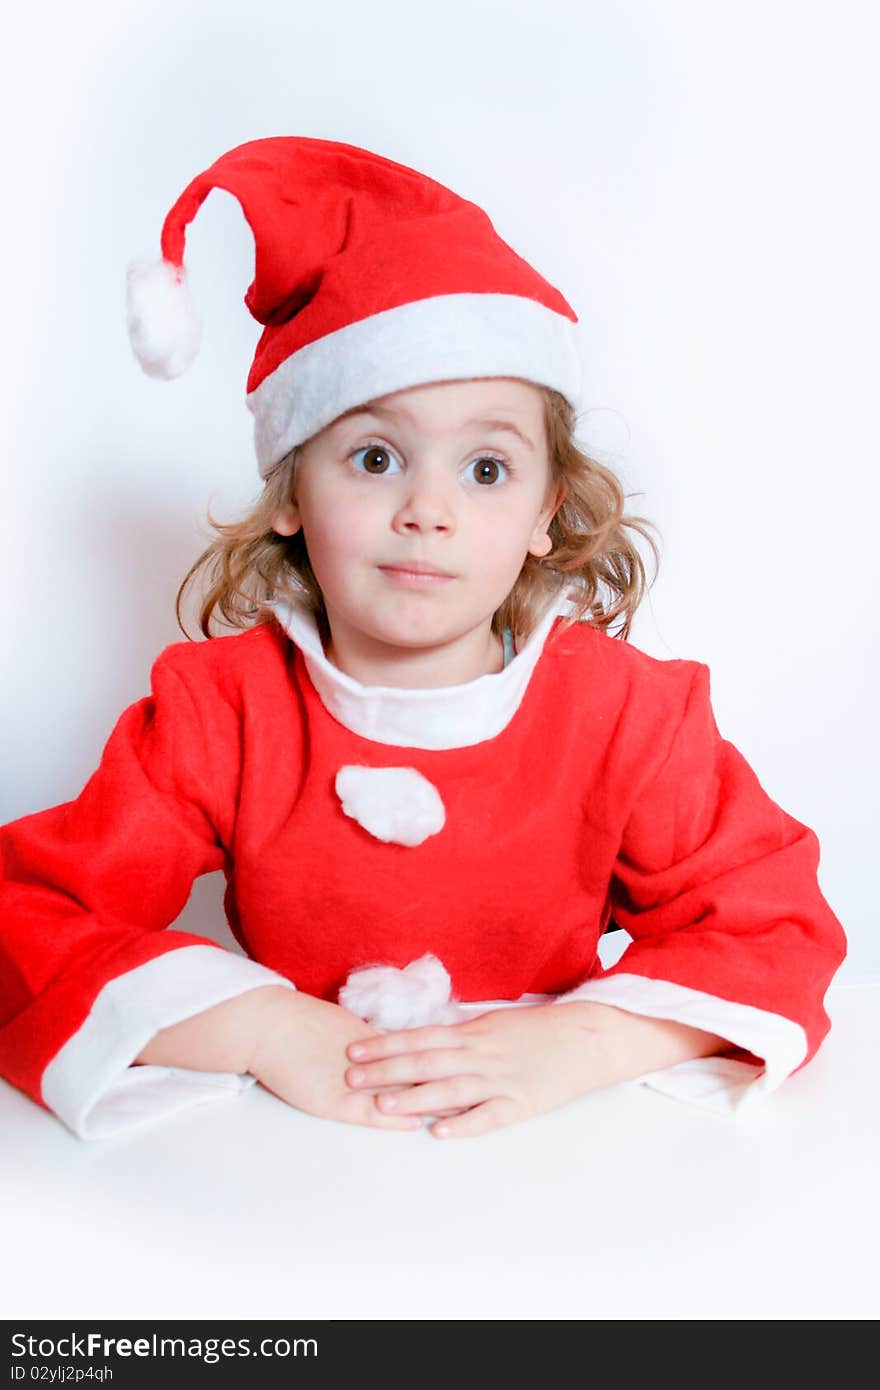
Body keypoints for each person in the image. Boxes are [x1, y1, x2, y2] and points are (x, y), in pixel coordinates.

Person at [0, 136, 846, 1143]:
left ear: (547, 511)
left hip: (579, 1159)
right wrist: (265, 1028)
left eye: (485, 469)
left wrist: (583, 1042)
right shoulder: (217, 709)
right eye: (373, 456)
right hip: (280, 1159)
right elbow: (31, 915)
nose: (426, 510)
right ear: (290, 495)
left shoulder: (630, 713)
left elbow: (775, 925)